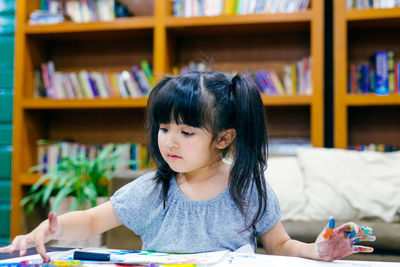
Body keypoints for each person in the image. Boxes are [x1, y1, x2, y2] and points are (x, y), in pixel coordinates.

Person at [0, 71, 375, 262]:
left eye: (186, 131)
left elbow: (280, 245)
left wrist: (317, 251)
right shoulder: (153, 189)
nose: (169, 141)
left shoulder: (247, 188)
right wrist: (48, 231)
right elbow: (96, 221)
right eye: (164, 128)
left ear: (224, 138)